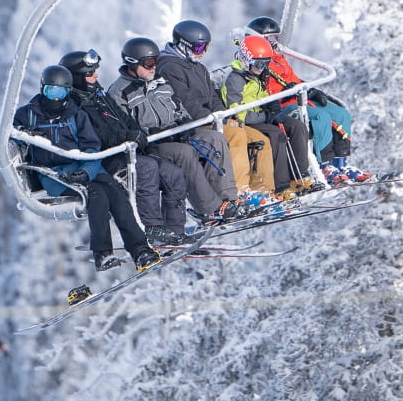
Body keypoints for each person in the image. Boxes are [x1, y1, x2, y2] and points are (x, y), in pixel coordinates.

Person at [13, 64, 160, 273]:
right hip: (54, 174)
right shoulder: (28, 114)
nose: (56, 98)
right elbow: (11, 136)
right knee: (97, 195)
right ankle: (103, 254)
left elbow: (91, 146)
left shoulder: (76, 114)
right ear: (42, 89)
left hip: (84, 166)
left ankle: (140, 250)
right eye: (51, 91)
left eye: (61, 92)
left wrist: (87, 171)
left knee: (117, 193)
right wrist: (24, 133)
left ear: (68, 92)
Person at [59, 48, 189, 247]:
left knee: (173, 173)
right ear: (76, 77)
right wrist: (126, 137)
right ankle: (153, 227)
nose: (95, 76)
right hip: (107, 159)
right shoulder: (75, 106)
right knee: (147, 168)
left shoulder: (98, 95)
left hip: (127, 152)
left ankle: (175, 230)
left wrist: (140, 136)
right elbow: (97, 136)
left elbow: (124, 119)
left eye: (95, 71)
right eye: (90, 73)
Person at [106, 37, 242, 223]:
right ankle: (209, 209)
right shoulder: (119, 92)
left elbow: (179, 108)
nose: (154, 67)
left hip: (176, 134)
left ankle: (228, 198)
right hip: (154, 145)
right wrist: (149, 133)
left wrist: (184, 123)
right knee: (184, 153)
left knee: (214, 138)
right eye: (149, 63)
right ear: (132, 63)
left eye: (156, 61)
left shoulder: (160, 82)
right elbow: (125, 126)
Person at [156, 20, 278, 203]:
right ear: (183, 46)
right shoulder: (169, 68)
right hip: (194, 123)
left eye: (206, 47)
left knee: (259, 138)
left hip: (213, 119)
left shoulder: (198, 67)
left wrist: (225, 115)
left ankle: (264, 190)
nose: (203, 52)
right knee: (236, 135)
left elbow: (212, 97)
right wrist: (215, 120)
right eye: (198, 48)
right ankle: (240, 190)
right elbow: (187, 102)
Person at [245, 16, 372, 184]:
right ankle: (324, 165)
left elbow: (292, 79)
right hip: (284, 105)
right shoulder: (256, 62)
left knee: (340, 114)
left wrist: (310, 90)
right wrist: (286, 92)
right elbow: (261, 90)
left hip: (299, 97)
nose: (273, 43)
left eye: (275, 38)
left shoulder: (279, 58)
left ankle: (341, 165)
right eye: (268, 39)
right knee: (321, 117)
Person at [220, 34, 318, 197]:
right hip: (248, 121)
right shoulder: (235, 80)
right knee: (276, 135)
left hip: (262, 115)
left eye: (266, 64)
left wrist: (271, 104)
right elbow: (238, 114)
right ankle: (281, 186)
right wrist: (266, 115)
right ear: (245, 60)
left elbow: (262, 95)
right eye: (259, 64)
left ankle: (300, 176)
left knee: (297, 127)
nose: (262, 68)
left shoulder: (256, 76)